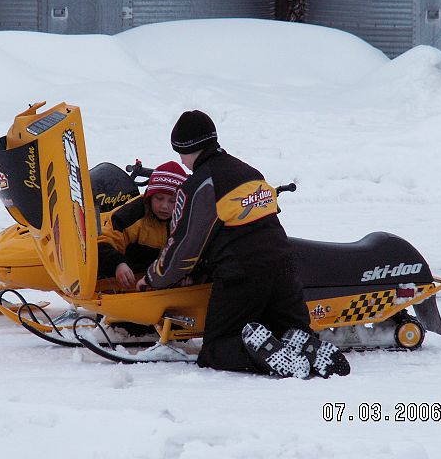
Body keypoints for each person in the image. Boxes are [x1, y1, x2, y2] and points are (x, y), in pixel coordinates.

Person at [136, 110, 350, 379]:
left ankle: (260, 353)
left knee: (215, 348)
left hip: (242, 275)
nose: (182, 160)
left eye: (180, 153)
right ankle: (300, 341)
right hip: (285, 267)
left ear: (189, 148)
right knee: (283, 329)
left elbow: (183, 251)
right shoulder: (250, 172)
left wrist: (153, 278)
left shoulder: (202, 184)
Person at [98, 161, 187, 289]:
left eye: (172, 201)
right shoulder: (133, 214)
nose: (164, 206)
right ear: (149, 196)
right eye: (159, 198)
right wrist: (118, 264)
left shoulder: (187, 217)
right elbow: (102, 238)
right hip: (127, 277)